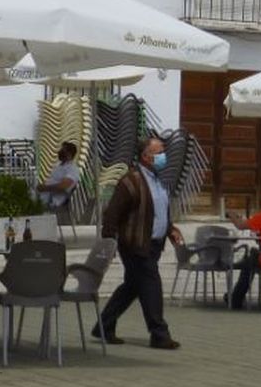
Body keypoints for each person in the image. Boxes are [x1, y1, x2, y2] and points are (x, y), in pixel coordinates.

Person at [94, 135, 184, 349]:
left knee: (133, 287)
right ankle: (159, 334)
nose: (164, 156)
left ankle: (103, 325)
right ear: (146, 157)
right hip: (135, 244)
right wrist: (109, 241)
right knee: (151, 284)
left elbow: (158, 211)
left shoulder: (158, 180)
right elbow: (112, 213)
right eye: (159, 152)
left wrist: (170, 229)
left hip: (153, 244)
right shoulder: (130, 181)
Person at [36, 142, 80, 212]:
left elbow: (63, 187)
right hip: (43, 197)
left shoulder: (72, 169)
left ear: (69, 154)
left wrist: (45, 188)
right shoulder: (58, 165)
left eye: (63, 150)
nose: (59, 152)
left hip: (53, 201)